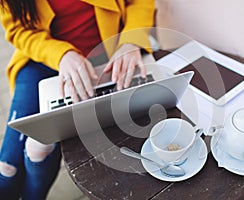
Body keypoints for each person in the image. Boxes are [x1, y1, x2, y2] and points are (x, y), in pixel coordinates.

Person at [0, 0, 155, 199]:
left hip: (103, 59)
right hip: (43, 60)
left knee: (40, 149)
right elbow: (18, 31)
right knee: (7, 167)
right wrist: (62, 54)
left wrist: (132, 40)